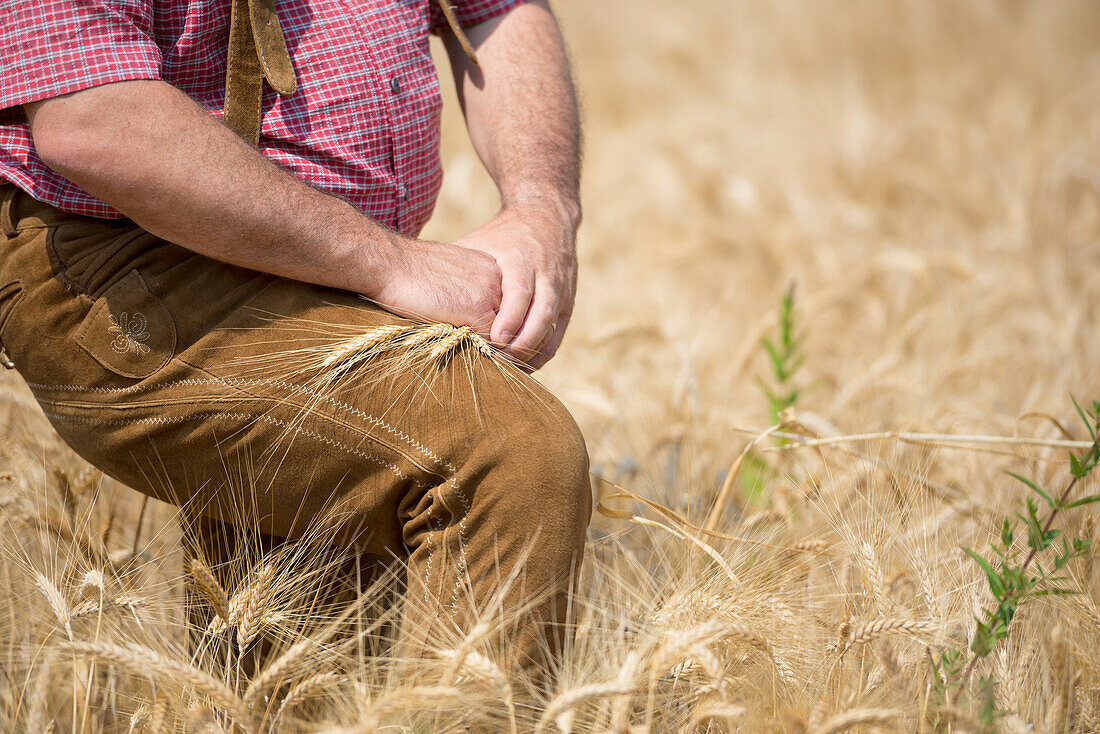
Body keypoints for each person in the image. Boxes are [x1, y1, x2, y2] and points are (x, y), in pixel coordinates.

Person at [0, 0, 590, 691]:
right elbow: (92, 120)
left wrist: (542, 202)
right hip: (122, 260)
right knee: (505, 452)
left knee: (302, 668)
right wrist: (388, 264)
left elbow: (499, 8)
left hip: (320, 262)